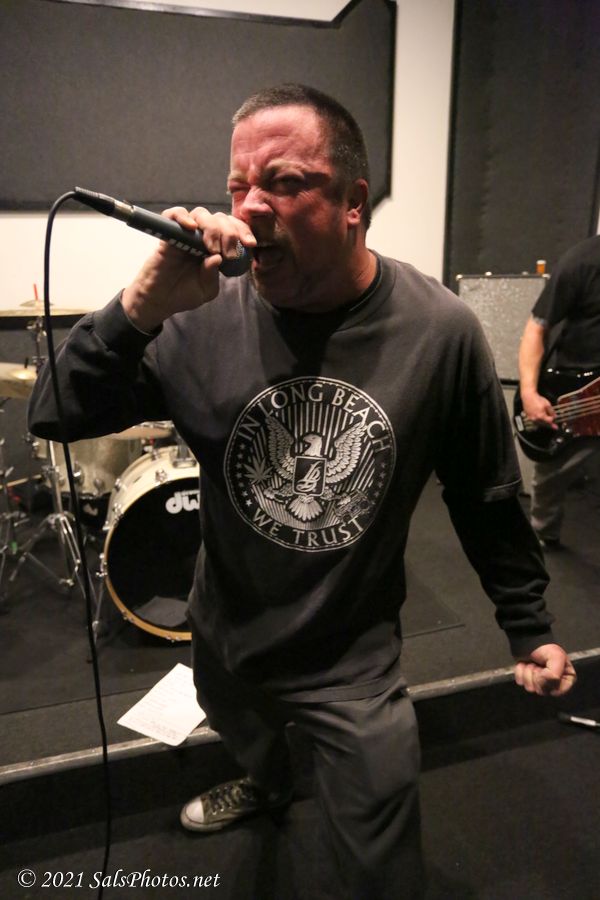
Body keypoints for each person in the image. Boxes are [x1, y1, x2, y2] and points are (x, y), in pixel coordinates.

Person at [28, 84, 576, 899]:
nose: (251, 208)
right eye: (238, 187)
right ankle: (268, 782)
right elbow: (54, 413)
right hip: (225, 633)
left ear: (355, 203)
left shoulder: (439, 332)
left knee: (383, 864)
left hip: (353, 661)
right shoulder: (194, 316)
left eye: (284, 183)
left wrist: (526, 624)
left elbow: (485, 494)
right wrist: (141, 306)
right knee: (248, 737)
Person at [518, 234, 600, 549]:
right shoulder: (583, 260)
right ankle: (543, 534)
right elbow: (536, 328)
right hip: (578, 392)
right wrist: (529, 393)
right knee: (550, 476)